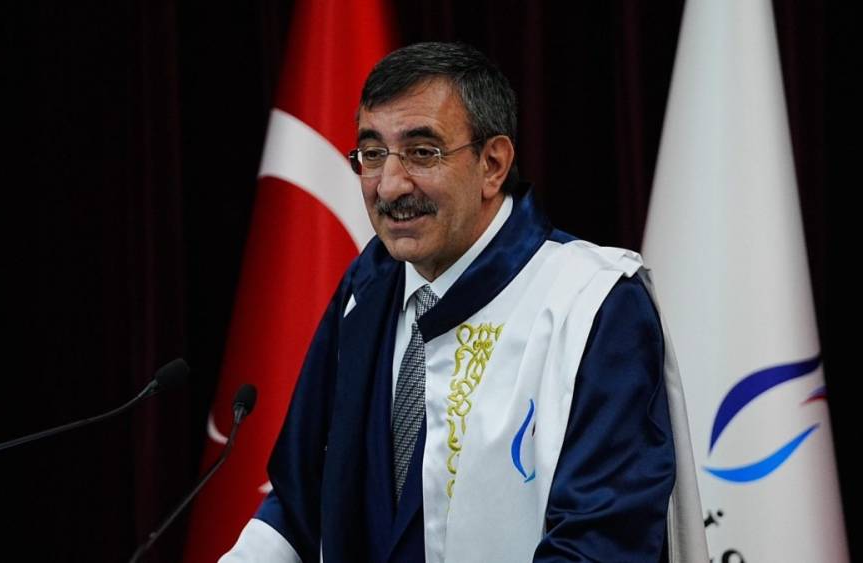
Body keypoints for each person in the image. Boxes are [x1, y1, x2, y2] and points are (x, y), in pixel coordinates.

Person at [222, 42, 708, 562]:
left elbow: (602, 539)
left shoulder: (592, 305)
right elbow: (299, 500)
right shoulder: (369, 286)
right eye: (373, 154)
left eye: (421, 152)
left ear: (493, 164)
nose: (390, 186)